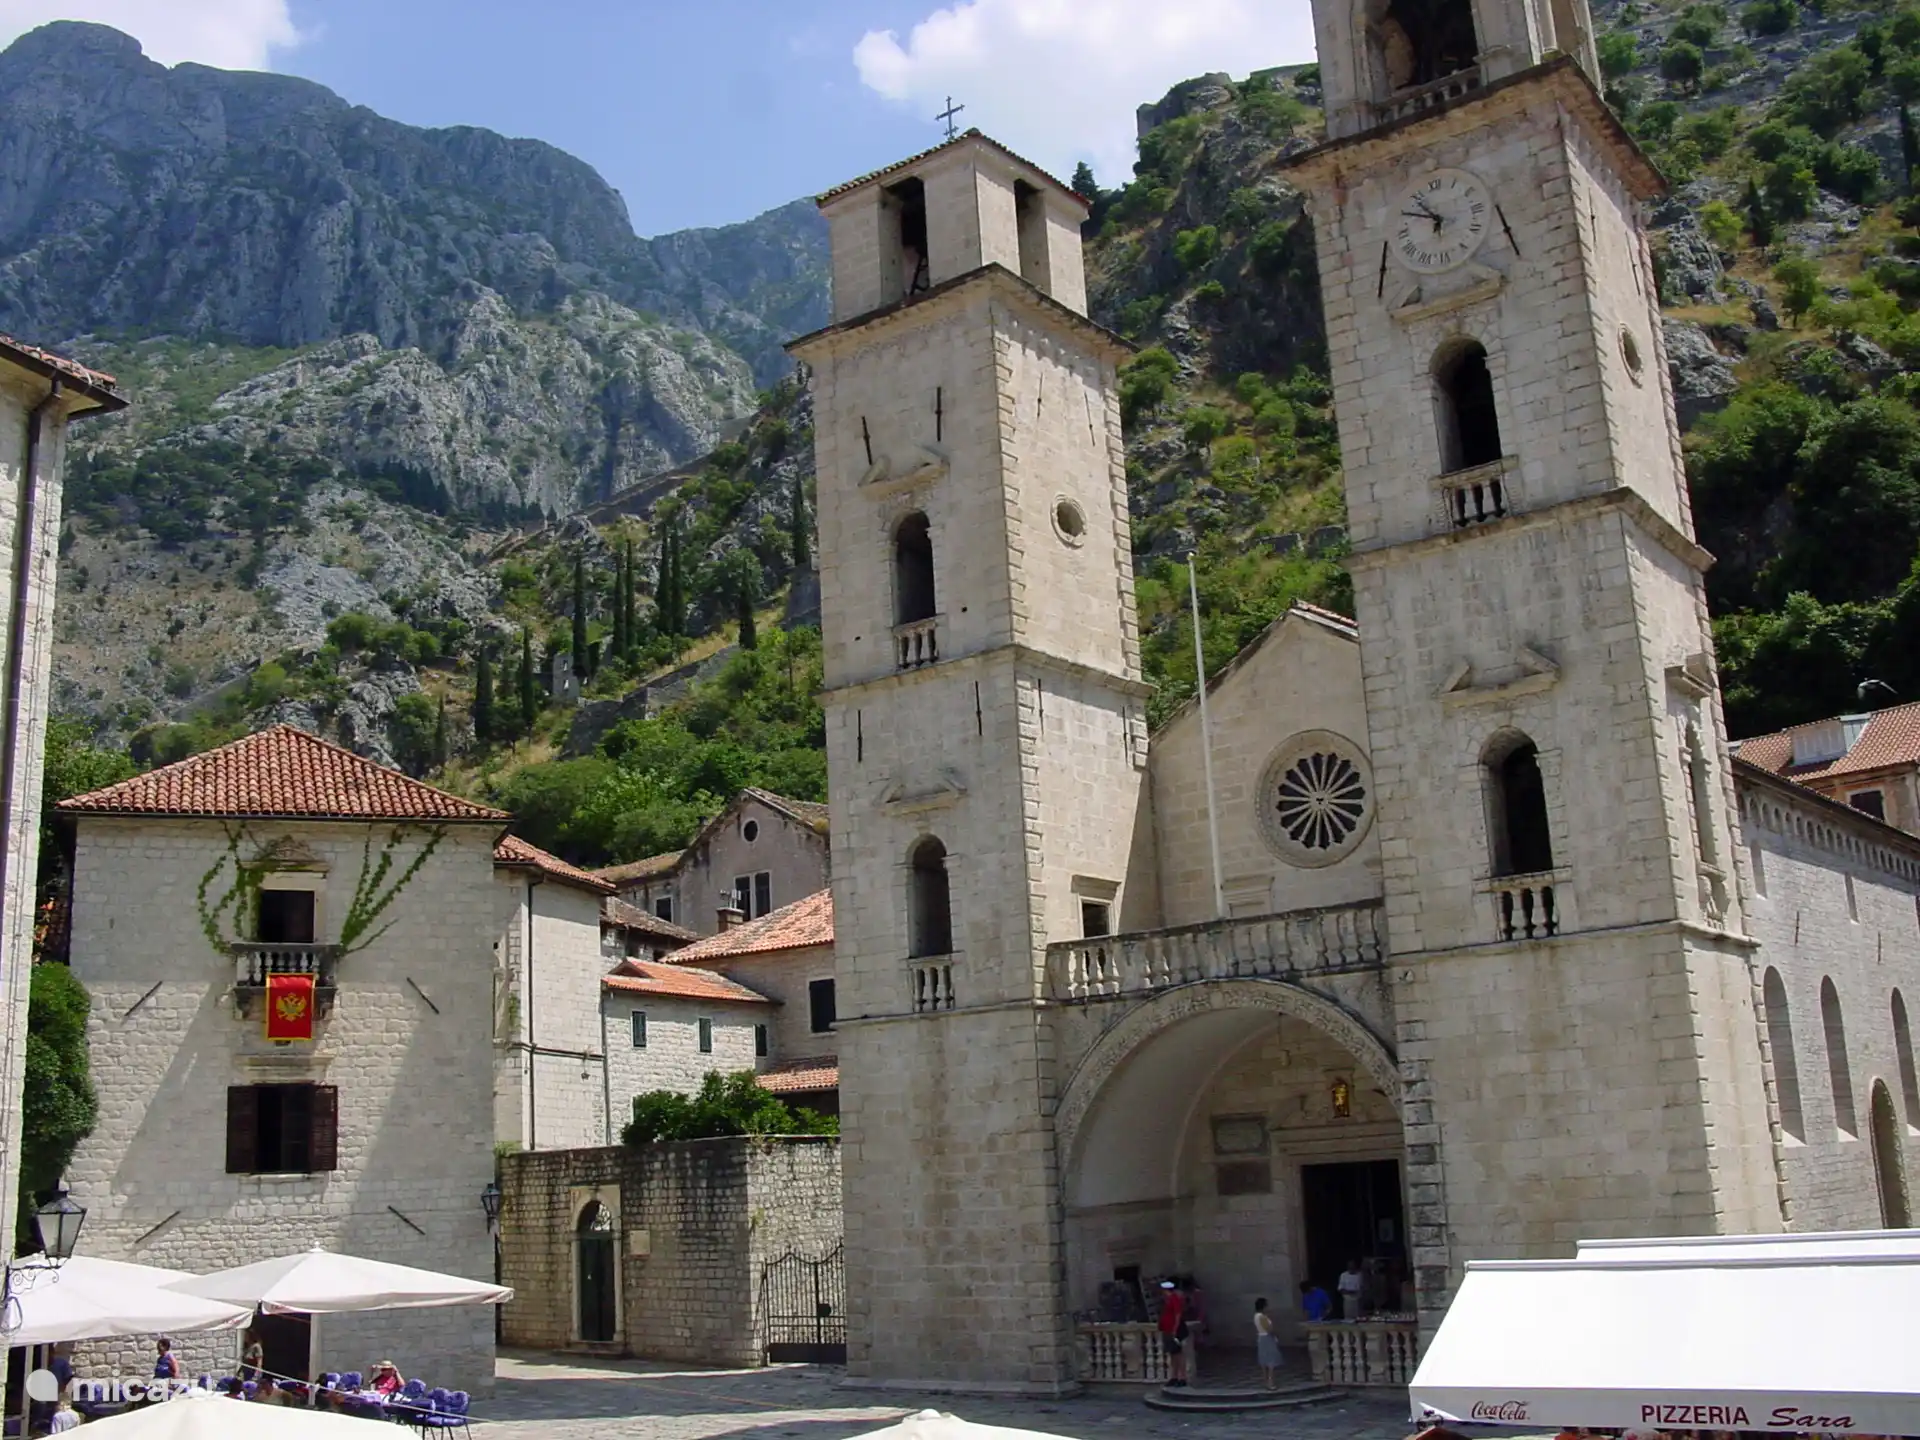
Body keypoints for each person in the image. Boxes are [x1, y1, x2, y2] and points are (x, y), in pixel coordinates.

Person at [1155, 1279, 1189, 1388]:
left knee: (1178, 1354)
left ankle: (1182, 1377)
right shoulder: (1167, 1300)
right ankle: (1174, 1376)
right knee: (1172, 1354)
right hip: (1167, 1329)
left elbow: (1177, 1314)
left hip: (1174, 1330)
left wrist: (1175, 1329)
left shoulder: (1174, 1299)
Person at [1254, 1297, 1281, 1390]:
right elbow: (1269, 1329)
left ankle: (1266, 1381)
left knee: (1264, 1361)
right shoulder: (1262, 1317)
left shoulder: (1256, 1316)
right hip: (1267, 1338)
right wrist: (1275, 1334)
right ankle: (1270, 1382)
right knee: (1270, 1361)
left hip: (1261, 1337)